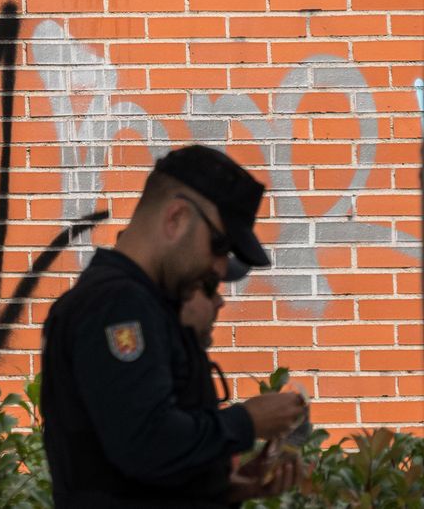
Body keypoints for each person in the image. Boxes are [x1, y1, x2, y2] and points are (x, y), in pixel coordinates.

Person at [40, 145, 307, 508]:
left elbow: (143, 470)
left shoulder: (145, 304)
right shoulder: (117, 305)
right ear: (176, 218)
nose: (219, 268)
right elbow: (145, 442)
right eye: (219, 245)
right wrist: (247, 422)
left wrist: (226, 487)